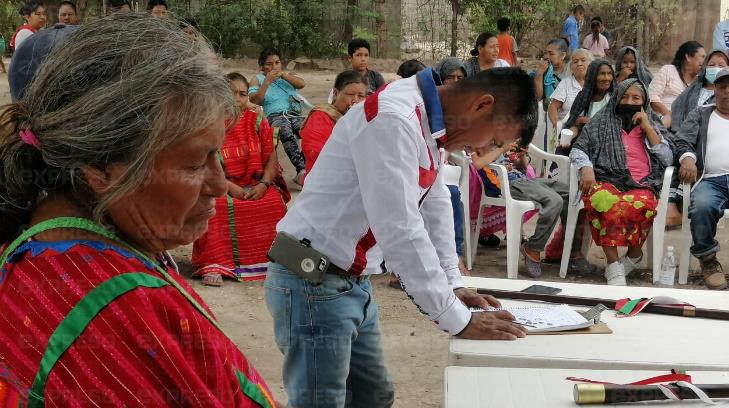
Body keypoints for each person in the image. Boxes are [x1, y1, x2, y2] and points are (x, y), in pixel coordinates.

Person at [0, 14, 277, 407]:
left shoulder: (37, 243)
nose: (219, 184)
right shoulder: (120, 314)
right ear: (101, 168)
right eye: (196, 163)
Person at [265, 67, 535, 407]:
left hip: (348, 281)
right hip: (313, 282)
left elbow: (434, 200)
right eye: (494, 140)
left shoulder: (431, 123)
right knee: (321, 401)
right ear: (481, 105)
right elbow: (401, 229)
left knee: (373, 396)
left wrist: (453, 281)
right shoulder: (395, 119)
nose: (482, 148)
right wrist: (456, 319)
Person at [571, 79, 673, 285]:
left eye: (636, 98)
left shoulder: (651, 124)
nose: (630, 101)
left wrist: (647, 127)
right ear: (616, 98)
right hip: (605, 178)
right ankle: (614, 264)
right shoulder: (600, 121)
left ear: (644, 102)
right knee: (603, 200)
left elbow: (668, 158)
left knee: (640, 204)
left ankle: (634, 254)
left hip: (642, 182)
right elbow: (578, 148)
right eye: (625, 97)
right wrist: (586, 167)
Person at [191, 72, 288, 284]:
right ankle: (215, 264)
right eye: (231, 93)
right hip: (218, 186)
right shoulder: (206, 123)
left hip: (255, 184)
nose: (237, 99)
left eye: (243, 94)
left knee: (273, 203)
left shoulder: (257, 120)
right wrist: (227, 187)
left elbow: (271, 157)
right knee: (215, 206)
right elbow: (201, 165)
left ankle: (271, 262)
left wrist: (264, 184)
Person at [675, 67, 729, 290]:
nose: (727, 91)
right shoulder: (701, 113)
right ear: (714, 90)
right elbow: (682, 141)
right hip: (711, 179)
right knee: (702, 205)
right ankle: (708, 261)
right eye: (722, 87)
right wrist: (688, 159)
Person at [663, 49, 729, 227]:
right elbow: (675, 116)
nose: (715, 68)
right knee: (673, 150)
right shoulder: (694, 95)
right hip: (689, 141)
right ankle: (672, 207)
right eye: (711, 64)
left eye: (721, 65)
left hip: (699, 143)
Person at [249, 47, 308, 186]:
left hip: (294, 114)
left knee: (311, 128)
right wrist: (267, 82)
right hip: (274, 116)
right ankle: (302, 170)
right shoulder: (257, 79)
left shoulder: (286, 77)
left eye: (277, 62)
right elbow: (253, 100)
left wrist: (283, 75)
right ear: (262, 66)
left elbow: (302, 84)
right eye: (269, 64)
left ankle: (308, 168)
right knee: (284, 130)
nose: (274, 66)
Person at [301, 70, 367, 179]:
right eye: (350, 95)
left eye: (361, 96)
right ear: (336, 93)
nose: (355, 101)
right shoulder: (320, 117)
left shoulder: (364, 117)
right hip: (325, 178)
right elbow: (316, 153)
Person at [9, 23, 77, 102]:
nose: (42, 16)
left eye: (42, 13)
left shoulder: (35, 37)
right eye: (38, 13)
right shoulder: (25, 34)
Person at [561, 59, 614, 151]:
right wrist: (569, 137)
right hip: (584, 140)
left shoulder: (614, 98)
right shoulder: (583, 97)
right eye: (602, 74)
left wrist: (592, 122)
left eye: (609, 73)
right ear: (592, 76)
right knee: (562, 150)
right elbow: (574, 124)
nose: (607, 78)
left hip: (608, 142)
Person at [649, 41, 705, 129]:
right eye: (702, 57)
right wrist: (667, 113)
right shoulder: (668, 70)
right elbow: (652, 97)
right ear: (688, 57)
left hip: (687, 127)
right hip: (662, 120)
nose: (704, 61)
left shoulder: (700, 81)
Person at [549, 48, 592, 129]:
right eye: (575, 61)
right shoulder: (566, 83)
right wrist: (557, 126)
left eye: (583, 60)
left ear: (591, 63)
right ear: (571, 67)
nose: (579, 64)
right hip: (567, 127)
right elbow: (553, 106)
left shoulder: (595, 83)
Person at [533, 38, 570, 109]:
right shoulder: (544, 70)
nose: (546, 56)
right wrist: (539, 74)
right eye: (545, 53)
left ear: (563, 55)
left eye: (551, 53)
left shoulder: (570, 72)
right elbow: (538, 97)